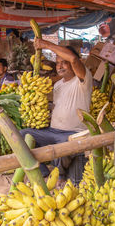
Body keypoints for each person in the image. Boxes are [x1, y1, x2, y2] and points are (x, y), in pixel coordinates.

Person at [20, 39, 93, 185]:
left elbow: (72, 58)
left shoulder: (83, 79)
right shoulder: (58, 85)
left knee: (62, 147)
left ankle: (60, 175)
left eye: (63, 62)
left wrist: (45, 45)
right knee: (21, 135)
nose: (59, 66)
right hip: (53, 131)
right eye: (57, 63)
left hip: (74, 132)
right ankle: (44, 172)